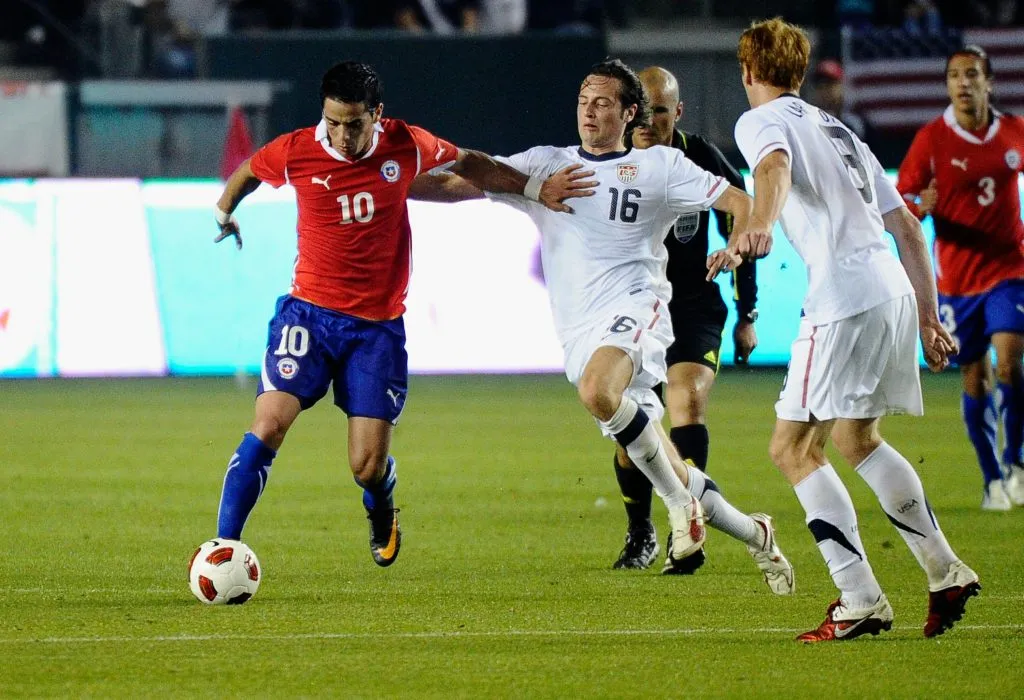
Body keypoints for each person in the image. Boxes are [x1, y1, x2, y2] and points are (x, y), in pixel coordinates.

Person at [410, 58, 795, 593]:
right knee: (649, 448)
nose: (589, 114)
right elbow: (460, 181)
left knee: (598, 390)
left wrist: (744, 236)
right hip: (580, 329)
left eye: (603, 104)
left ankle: (678, 508)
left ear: (629, 111)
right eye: (583, 103)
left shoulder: (661, 167)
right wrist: (390, 184)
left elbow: (740, 200)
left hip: (640, 309)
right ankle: (754, 531)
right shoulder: (548, 165)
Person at [209, 60, 593, 569]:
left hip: (375, 329)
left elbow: (469, 162)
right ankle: (224, 547)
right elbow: (249, 172)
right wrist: (223, 212)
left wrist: (532, 188)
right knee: (270, 422)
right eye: (333, 123)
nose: (342, 136)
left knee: (365, 466)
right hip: (308, 316)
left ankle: (382, 508)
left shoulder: (405, 144)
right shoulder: (297, 149)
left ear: (377, 115)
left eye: (354, 124)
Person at [732, 18, 980, 642]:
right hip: (891, 289)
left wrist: (760, 221)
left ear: (749, 72)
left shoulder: (761, 120)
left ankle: (859, 598)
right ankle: (944, 569)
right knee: (856, 437)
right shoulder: (841, 130)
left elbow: (774, 169)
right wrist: (928, 314)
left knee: (793, 448)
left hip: (841, 295)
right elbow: (905, 230)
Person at [610, 65, 762, 575]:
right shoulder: (614, 159)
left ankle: (688, 523)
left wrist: (748, 313)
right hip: (634, 310)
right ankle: (640, 530)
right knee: (635, 437)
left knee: (688, 401)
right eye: (641, 107)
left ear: (677, 112)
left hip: (693, 305)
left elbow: (744, 222)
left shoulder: (701, 160)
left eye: (659, 108)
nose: (648, 119)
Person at [896, 45, 1024, 511]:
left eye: (972, 74)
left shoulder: (1013, 131)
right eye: (954, 75)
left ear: (989, 82)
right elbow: (900, 199)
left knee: (1010, 361)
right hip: (955, 278)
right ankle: (992, 478)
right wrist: (918, 208)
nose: (963, 83)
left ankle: (1018, 462)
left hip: (1010, 268)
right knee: (976, 376)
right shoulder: (932, 139)